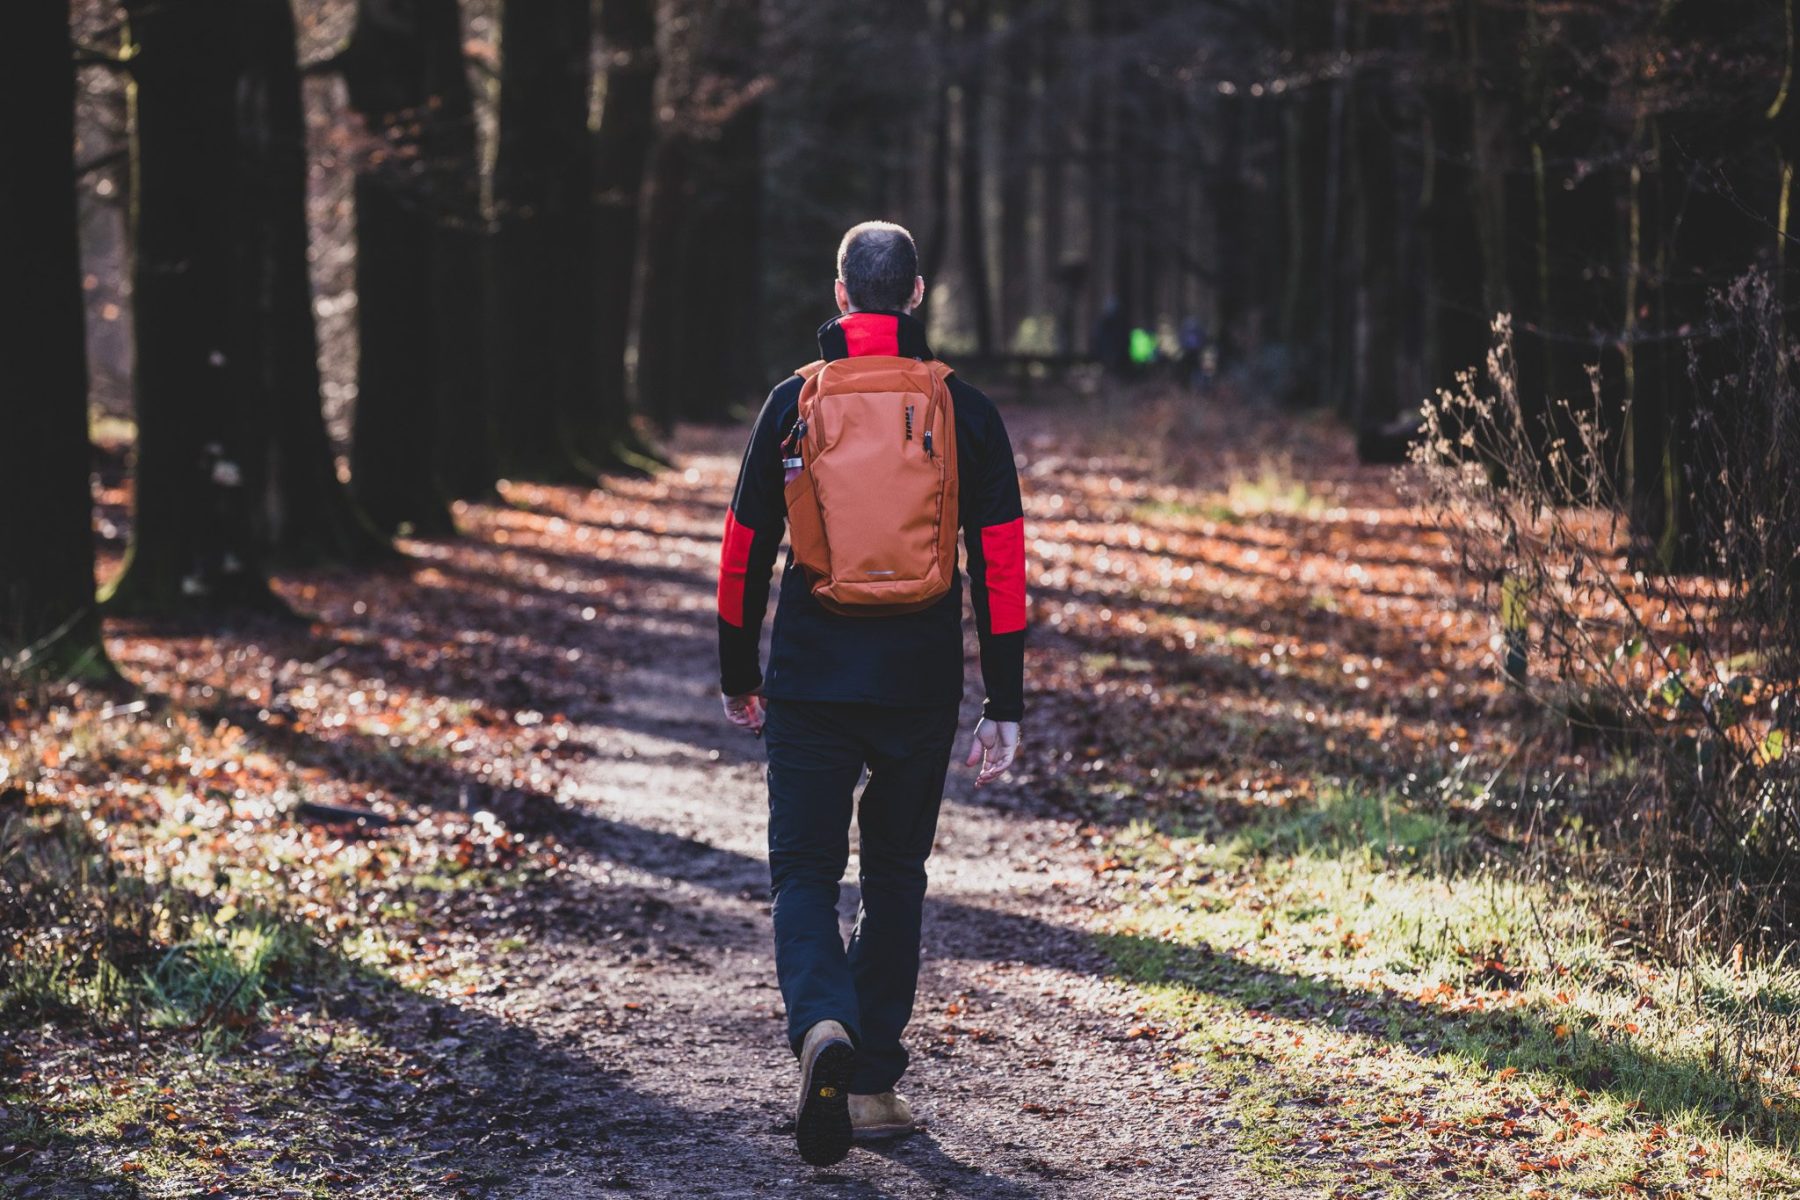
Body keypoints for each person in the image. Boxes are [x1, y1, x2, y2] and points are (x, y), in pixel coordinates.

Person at [715, 220, 1027, 1167]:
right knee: (895, 877)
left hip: (812, 678)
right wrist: (1002, 700)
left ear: (842, 295)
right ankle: (876, 1084)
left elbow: (742, 553)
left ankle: (821, 1026)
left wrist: (741, 671)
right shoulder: (962, 408)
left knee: (804, 872)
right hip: (919, 683)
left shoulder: (791, 405)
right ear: (918, 296)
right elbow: (1001, 563)